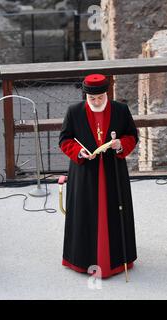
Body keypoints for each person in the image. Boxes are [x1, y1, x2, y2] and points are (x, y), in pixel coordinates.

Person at [59, 74, 138, 279]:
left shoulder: (120, 110)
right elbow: (65, 139)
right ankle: (82, 260)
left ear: (106, 94)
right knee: (85, 213)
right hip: (85, 173)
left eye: (100, 98)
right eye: (92, 99)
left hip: (114, 172)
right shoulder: (74, 111)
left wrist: (121, 144)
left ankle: (118, 260)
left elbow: (131, 135)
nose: (96, 102)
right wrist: (78, 151)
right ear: (86, 96)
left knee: (115, 211)